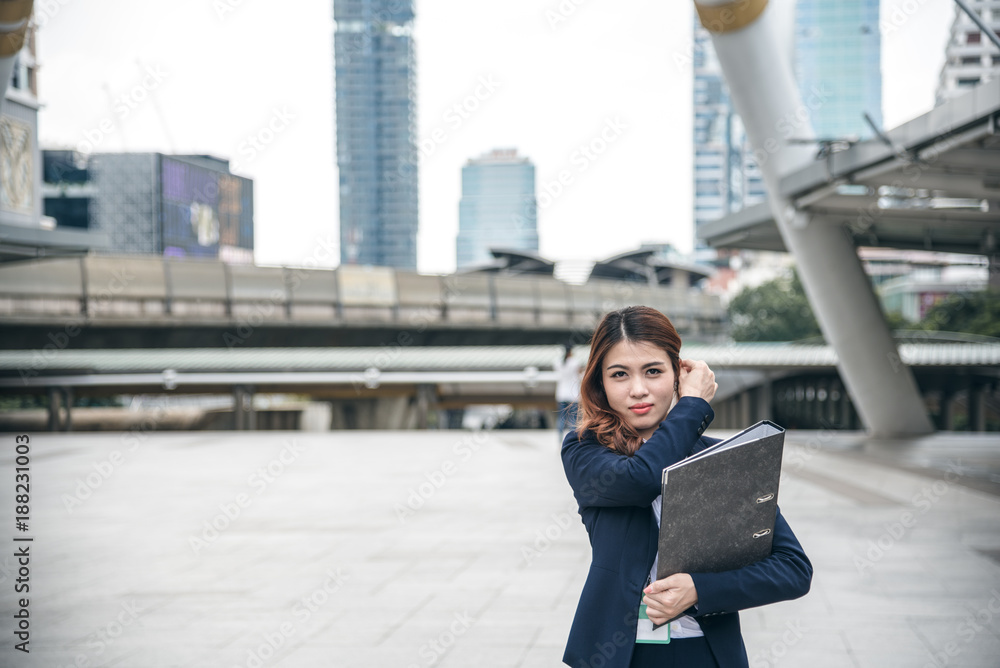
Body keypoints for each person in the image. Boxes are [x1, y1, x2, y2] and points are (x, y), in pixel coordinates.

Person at [561, 306, 812, 668]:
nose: (638, 389)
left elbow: (793, 569)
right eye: (619, 374)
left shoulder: (723, 458)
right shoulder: (586, 450)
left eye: (653, 371)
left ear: (679, 374)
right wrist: (692, 406)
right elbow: (642, 479)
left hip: (706, 653)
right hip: (620, 654)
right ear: (600, 382)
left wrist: (700, 590)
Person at [554, 342, 583, 437]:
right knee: (573, 420)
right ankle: (573, 440)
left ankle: (559, 440)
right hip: (573, 394)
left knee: (561, 418)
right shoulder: (574, 362)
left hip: (561, 393)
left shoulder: (558, 362)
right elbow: (579, 374)